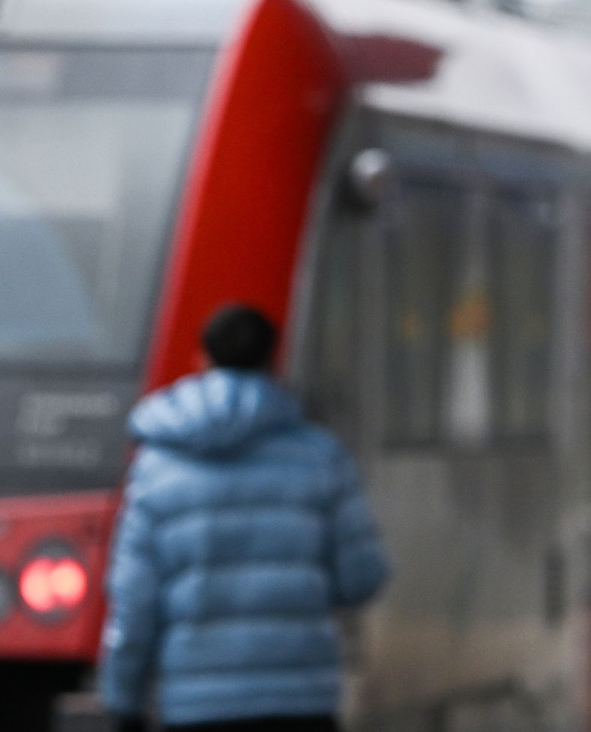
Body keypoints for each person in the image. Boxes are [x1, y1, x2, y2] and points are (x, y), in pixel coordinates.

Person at [99, 304, 390, 732]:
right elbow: (362, 576)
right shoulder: (320, 456)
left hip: (195, 706)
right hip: (299, 701)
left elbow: (134, 600)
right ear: (273, 360)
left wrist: (123, 700)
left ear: (202, 359)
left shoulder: (157, 468)